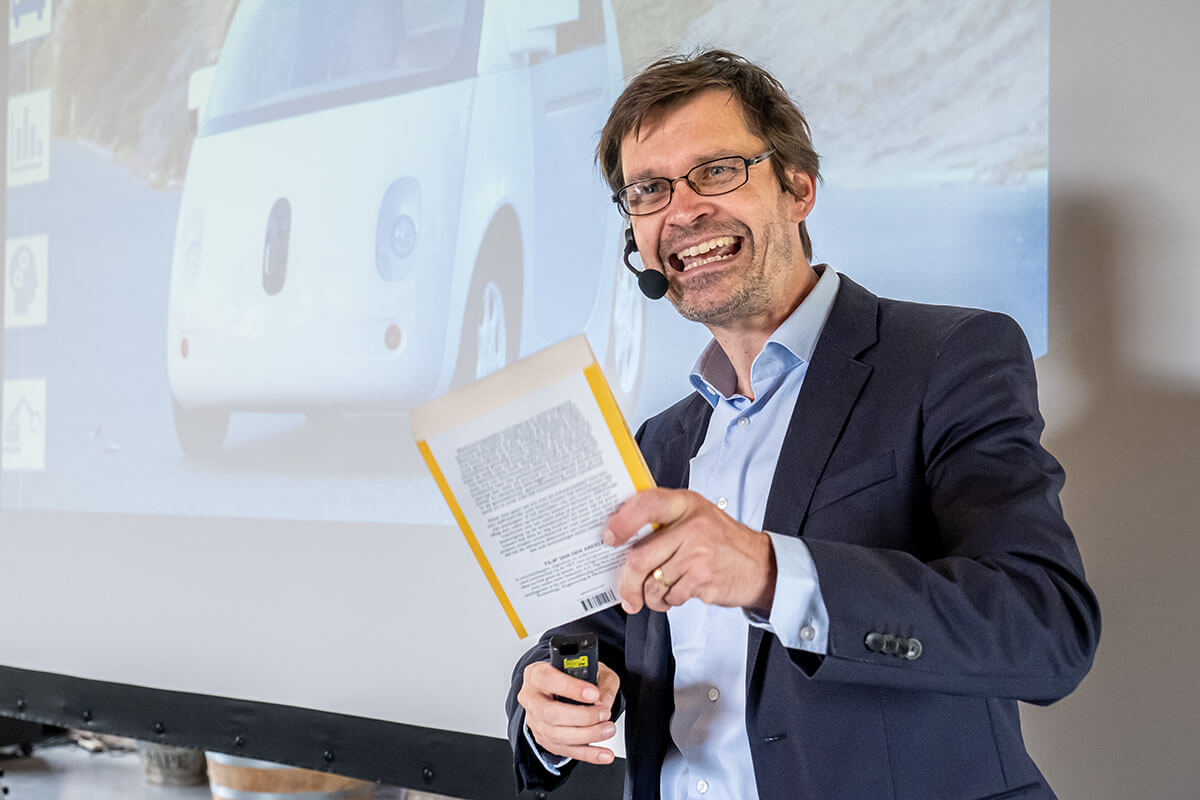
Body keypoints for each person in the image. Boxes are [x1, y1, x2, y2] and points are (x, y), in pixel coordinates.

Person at [506, 49, 1100, 800]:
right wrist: (546, 702)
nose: (682, 211)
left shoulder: (947, 358)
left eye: (715, 170)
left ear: (798, 188)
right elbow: (605, 631)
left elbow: (1044, 630)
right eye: (649, 190)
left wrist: (768, 572)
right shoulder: (660, 441)